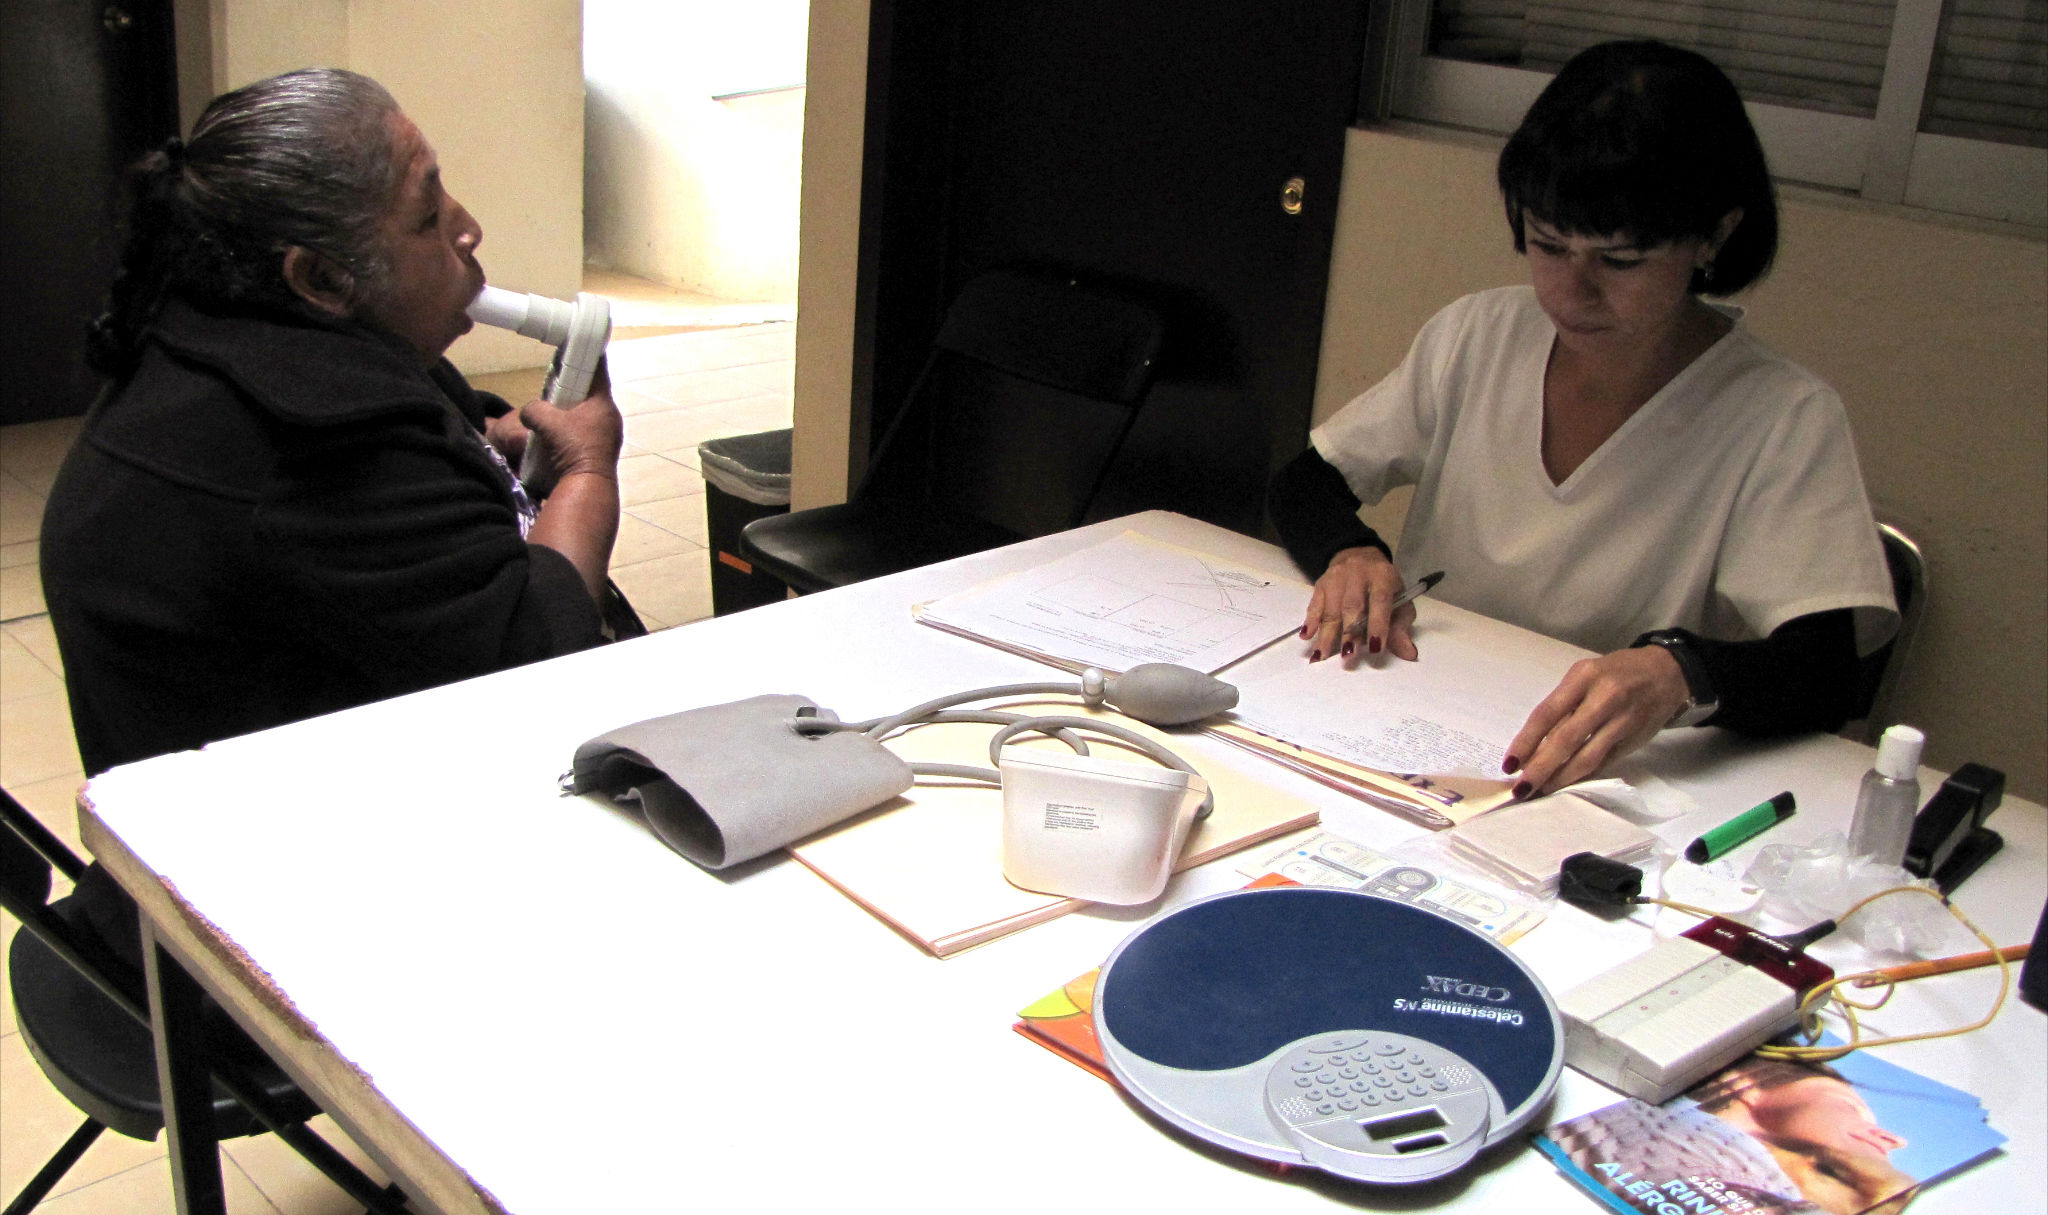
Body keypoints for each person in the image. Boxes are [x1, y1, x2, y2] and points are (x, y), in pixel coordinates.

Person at [40, 68, 640, 959]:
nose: (468, 227)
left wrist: (488, 443)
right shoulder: (325, 440)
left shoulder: (218, 333)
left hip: (189, 855)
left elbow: (411, 450)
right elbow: (537, 648)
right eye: (426, 215)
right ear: (319, 276)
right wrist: (587, 471)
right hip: (277, 923)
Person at [1268, 40, 1896, 798]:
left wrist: (1679, 670)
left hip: (1610, 779)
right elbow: (1305, 483)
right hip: (1415, 721)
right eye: (1547, 244)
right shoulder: (1478, 337)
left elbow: (1824, 672)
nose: (1572, 291)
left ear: (1714, 235)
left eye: (1620, 261)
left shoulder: (1779, 416)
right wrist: (1350, 553)